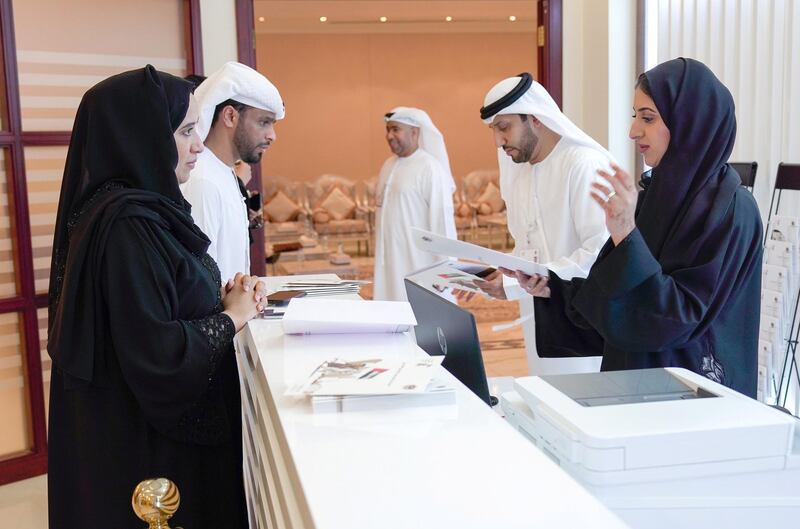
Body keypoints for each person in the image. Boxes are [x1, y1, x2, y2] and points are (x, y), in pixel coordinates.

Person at [46, 66, 266, 528]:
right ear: (143, 135)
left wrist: (218, 300)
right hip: (151, 455)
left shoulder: (145, 210)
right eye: (186, 131)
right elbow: (155, 352)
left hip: (148, 435)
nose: (199, 144)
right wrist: (230, 319)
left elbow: (156, 303)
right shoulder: (128, 225)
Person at [509, 58, 762, 397]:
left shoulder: (731, 211)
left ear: (689, 121)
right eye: (635, 116)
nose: (633, 131)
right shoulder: (652, 198)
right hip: (637, 389)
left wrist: (626, 234)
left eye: (648, 117)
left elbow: (679, 316)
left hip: (693, 401)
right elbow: (616, 297)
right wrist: (553, 290)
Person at [466, 73, 612, 375]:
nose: (498, 141)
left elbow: (601, 255)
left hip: (581, 321)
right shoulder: (519, 173)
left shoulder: (582, 165)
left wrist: (516, 281)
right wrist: (500, 275)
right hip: (538, 315)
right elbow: (528, 247)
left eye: (504, 127)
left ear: (536, 119)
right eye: (493, 130)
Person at [181, 61, 284, 281]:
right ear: (230, 116)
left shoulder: (223, 172)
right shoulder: (202, 180)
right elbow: (199, 282)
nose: (272, 136)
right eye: (264, 122)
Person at [373, 107, 458, 301]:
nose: (389, 136)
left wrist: (447, 268)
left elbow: (442, 222)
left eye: (395, 129)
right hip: (389, 263)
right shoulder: (388, 165)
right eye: (388, 130)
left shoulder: (430, 168)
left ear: (414, 132)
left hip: (419, 264)